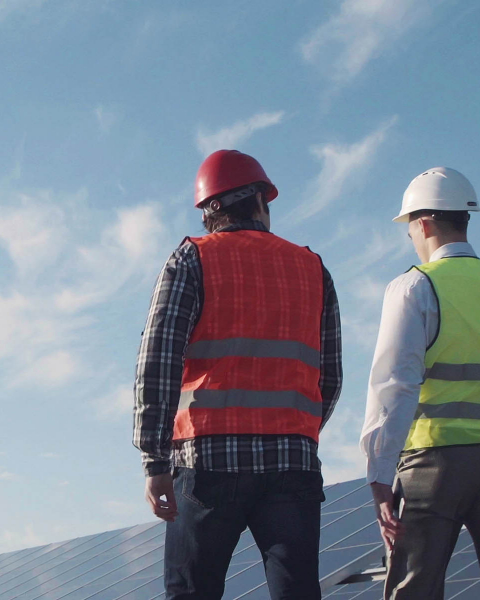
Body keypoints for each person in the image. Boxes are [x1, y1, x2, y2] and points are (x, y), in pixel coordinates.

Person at [133, 149, 342, 600]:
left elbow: (158, 362)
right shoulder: (313, 269)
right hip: (292, 462)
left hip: (206, 463)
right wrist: (297, 433)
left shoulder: (190, 260)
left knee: (192, 592)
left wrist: (154, 460)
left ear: (208, 213)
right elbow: (330, 377)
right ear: (261, 201)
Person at [360, 166, 480, 599]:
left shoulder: (414, 286)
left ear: (424, 223)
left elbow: (394, 387)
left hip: (433, 462)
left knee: (415, 588)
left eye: (409, 226)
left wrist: (378, 474)